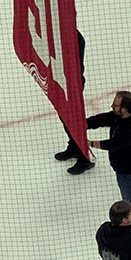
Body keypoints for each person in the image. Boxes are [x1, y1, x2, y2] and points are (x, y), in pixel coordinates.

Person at [87, 90, 131, 240]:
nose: (112, 106)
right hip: (127, 172)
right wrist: (82, 123)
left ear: (124, 109)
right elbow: (102, 119)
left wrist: (90, 143)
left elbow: (115, 144)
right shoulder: (118, 117)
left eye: (115, 105)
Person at [52, 31, 94, 175]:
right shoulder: (58, 34)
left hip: (71, 85)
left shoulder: (74, 38)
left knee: (73, 119)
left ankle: (84, 156)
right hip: (60, 82)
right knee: (64, 117)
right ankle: (74, 146)